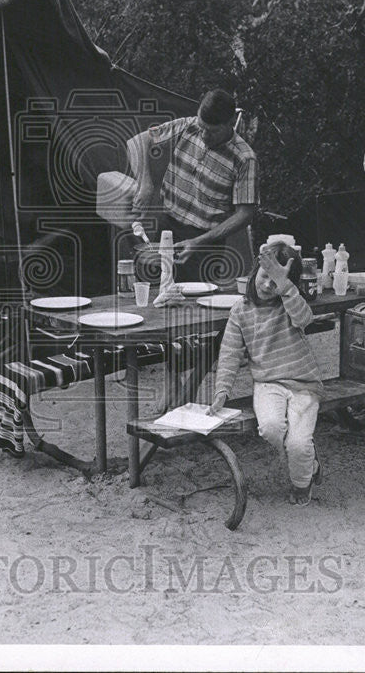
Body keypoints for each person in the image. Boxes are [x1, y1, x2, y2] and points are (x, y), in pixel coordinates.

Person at [208, 242, 325, 506]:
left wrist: (286, 286)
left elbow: (306, 319)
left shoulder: (289, 303)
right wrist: (222, 391)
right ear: (254, 273)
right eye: (265, 276)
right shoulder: (240, 310)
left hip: (303, 383)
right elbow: (229, 353)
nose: (268, 286)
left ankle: (301, 484)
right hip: (267, 383)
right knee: (271, 429)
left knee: (298, 443)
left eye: (276, 281)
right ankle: (309, 460)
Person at [129, 89, 257, 280]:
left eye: (212, 131)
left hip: (206, 243)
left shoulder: (244, 159)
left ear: (230, 124)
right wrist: (145, 183)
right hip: (168, 229)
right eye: (201, 126)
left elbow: (245, 214)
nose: (204, 135)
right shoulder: (188, 126)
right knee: (154, 293)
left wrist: (199, 241)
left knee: (194, 302)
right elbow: (137, 142)